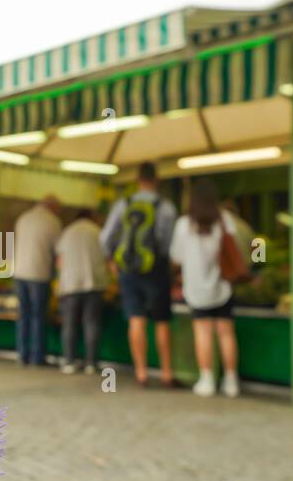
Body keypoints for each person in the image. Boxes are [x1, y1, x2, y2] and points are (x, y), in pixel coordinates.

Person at [100, 162, 178, 387]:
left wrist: (113, 261)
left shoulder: (123, 204)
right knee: (162, 321)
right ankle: (166, 373)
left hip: (129, 269)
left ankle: (141, 373)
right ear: (157, 179)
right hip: (156, 269)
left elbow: (105, 238)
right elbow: (169, 244)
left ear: (137, 180)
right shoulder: (166, 207)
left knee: (136, 319)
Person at [170, 178, 241, 398]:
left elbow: (176, 256)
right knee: (226, 333)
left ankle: (207, 379)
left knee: (203, 333)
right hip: (222, 287)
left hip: (196, 289)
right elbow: (236, 249)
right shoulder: (225, 220)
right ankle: (231, 381)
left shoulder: (184, 224)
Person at [55, 207, 108, 375]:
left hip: (70, 285)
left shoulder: (67, 232)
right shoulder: (98, 232)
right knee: (91, 323)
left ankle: (69, 362)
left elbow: (60, 262)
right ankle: (91, 363)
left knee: (69, 325)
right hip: (93, 284)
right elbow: (108, 258)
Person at [11, 195, 62, 366]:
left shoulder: (23, 218)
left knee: (24, 315)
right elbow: (59, 251)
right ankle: (37, 356)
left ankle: (22, 354)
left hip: (19, 273)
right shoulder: (53, 221)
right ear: (53, 207)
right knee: (38, 316)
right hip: (39, 274)